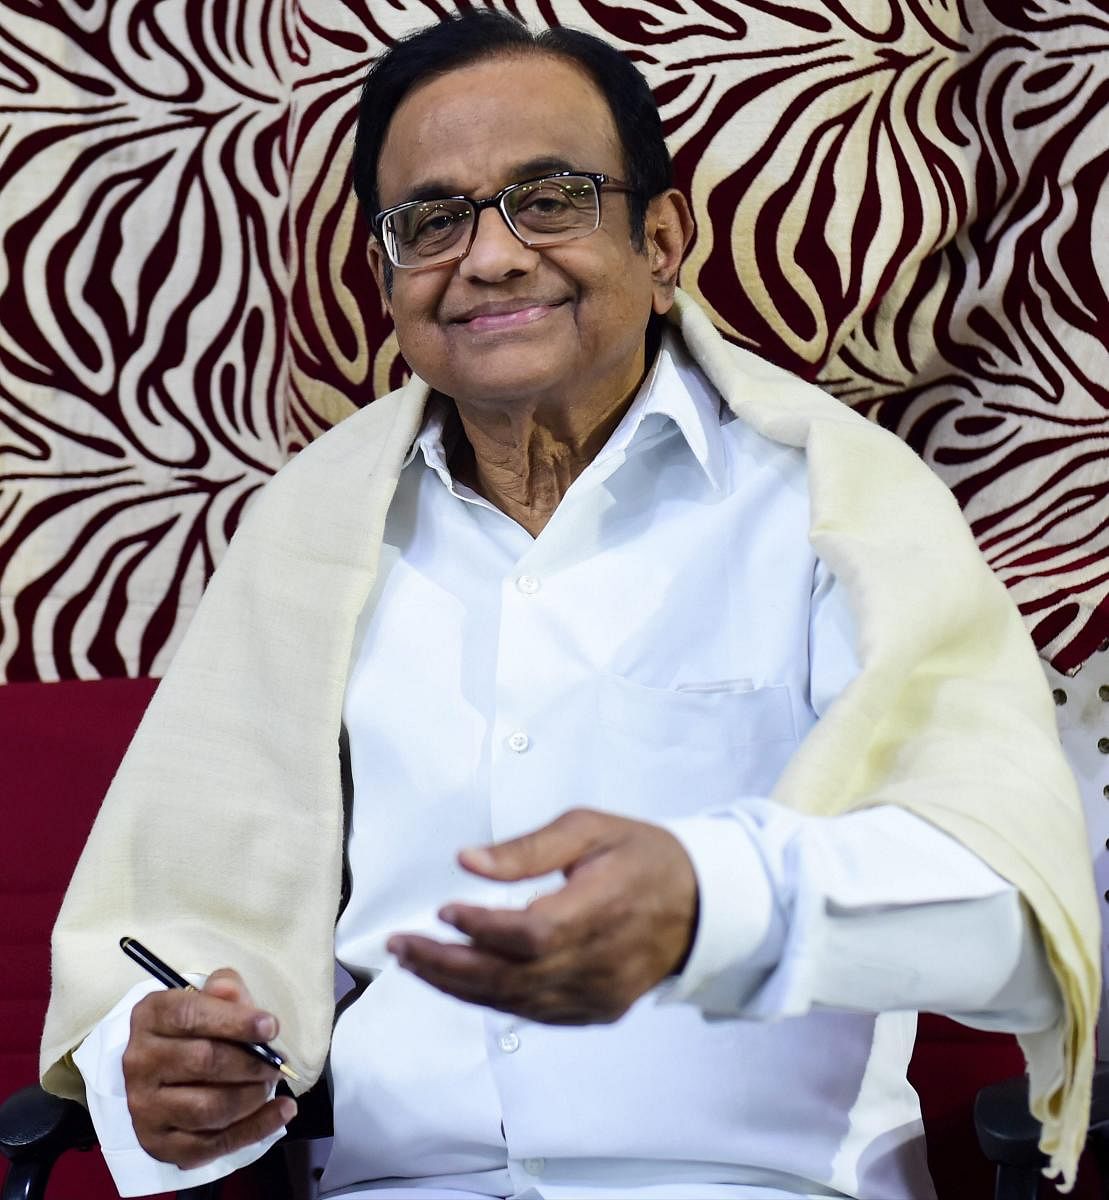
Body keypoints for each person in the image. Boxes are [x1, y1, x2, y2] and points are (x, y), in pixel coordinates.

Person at [41, 12, 1098, 1200]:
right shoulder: (308, 541)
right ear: (388, 276)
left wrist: (717, 907)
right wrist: (160, 1069)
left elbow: (1010, 906)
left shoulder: (835, 513)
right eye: (431, 221)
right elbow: (183, 918)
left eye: (546, 199)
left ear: (660, 238)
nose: (487, 258)